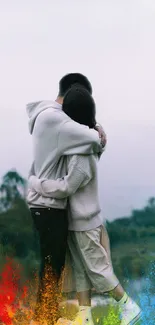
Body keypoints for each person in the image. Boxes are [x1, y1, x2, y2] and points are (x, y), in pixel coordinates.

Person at [29, 86, 142, 325]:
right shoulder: (81, 141)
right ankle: (85, 316)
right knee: (80, 270)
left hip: (85, 221)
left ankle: (127, 305)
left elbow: (67, 187)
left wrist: (36, 183)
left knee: (96, 268)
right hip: (76, 220)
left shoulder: (83, 152)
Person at [26, 73, 106, 325]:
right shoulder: (55, 118)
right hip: (48, 203)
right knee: (52, 266)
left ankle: (46, 315)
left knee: (54, 265)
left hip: (47, 202)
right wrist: (97, 128)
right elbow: (94, 139)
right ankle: (44, 318)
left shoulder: (49, 117)